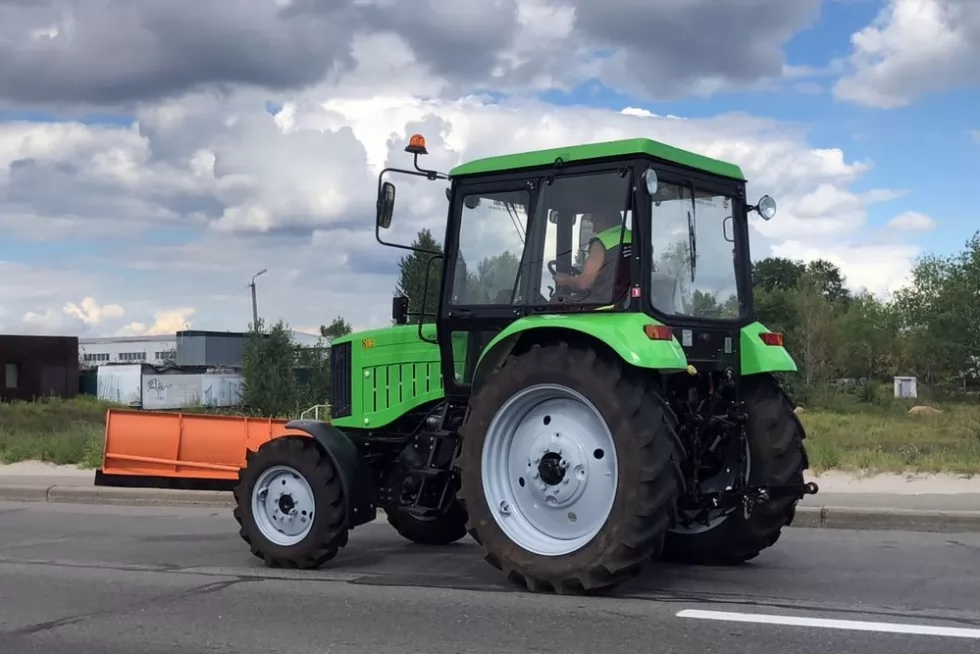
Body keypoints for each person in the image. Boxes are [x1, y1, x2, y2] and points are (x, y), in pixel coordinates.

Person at [552, 209, 632, 301]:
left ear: (607, 221)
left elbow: (584, 284)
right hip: (627, 302)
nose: (594, 229)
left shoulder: (601, 243)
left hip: (604, 304)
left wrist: (566, 280)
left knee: (555, 301)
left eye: (595, 223)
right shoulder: (635, 238)